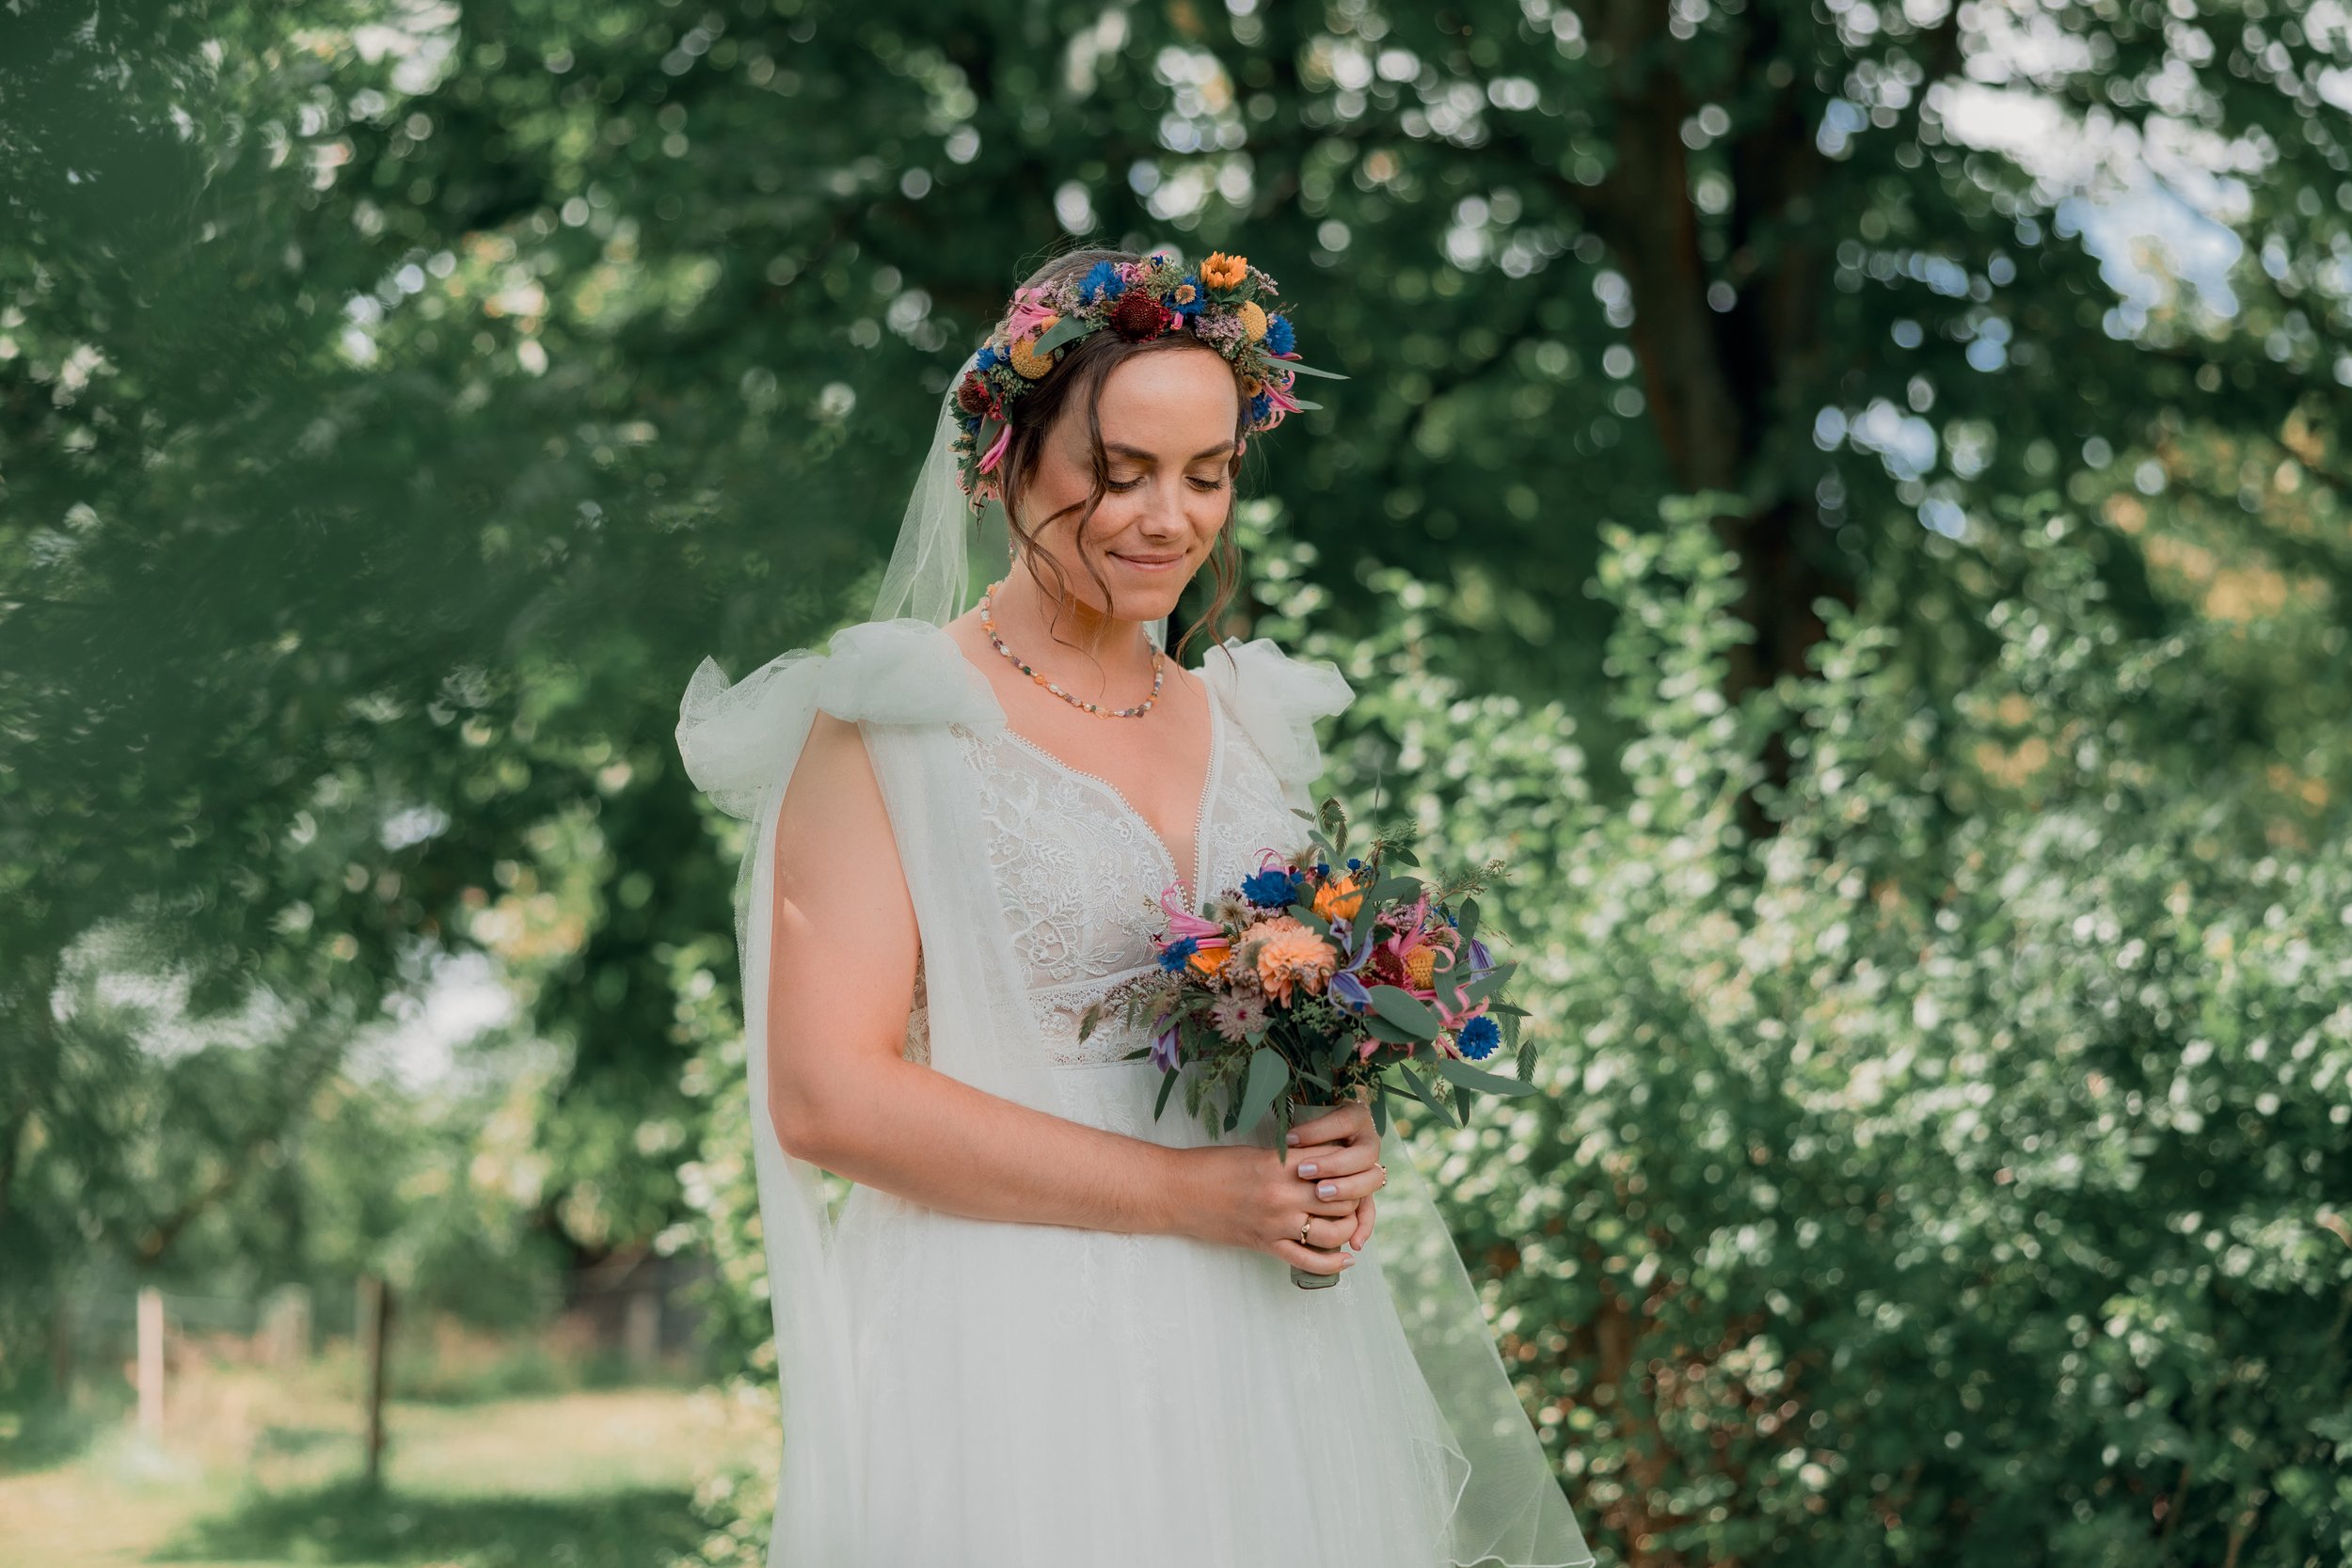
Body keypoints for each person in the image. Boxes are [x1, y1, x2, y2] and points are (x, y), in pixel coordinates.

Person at [675, 245, 1597, 1568]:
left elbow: (1259, 1031)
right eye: (1120, 473)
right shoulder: (891, 721)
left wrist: (1328, 1135)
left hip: (1270, 1352)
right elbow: (829, 1096)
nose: (1170, 518)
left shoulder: (1251, 724)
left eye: (1207, 475)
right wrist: (1192, 1197)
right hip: (1013, 1359)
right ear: (1004, 463)